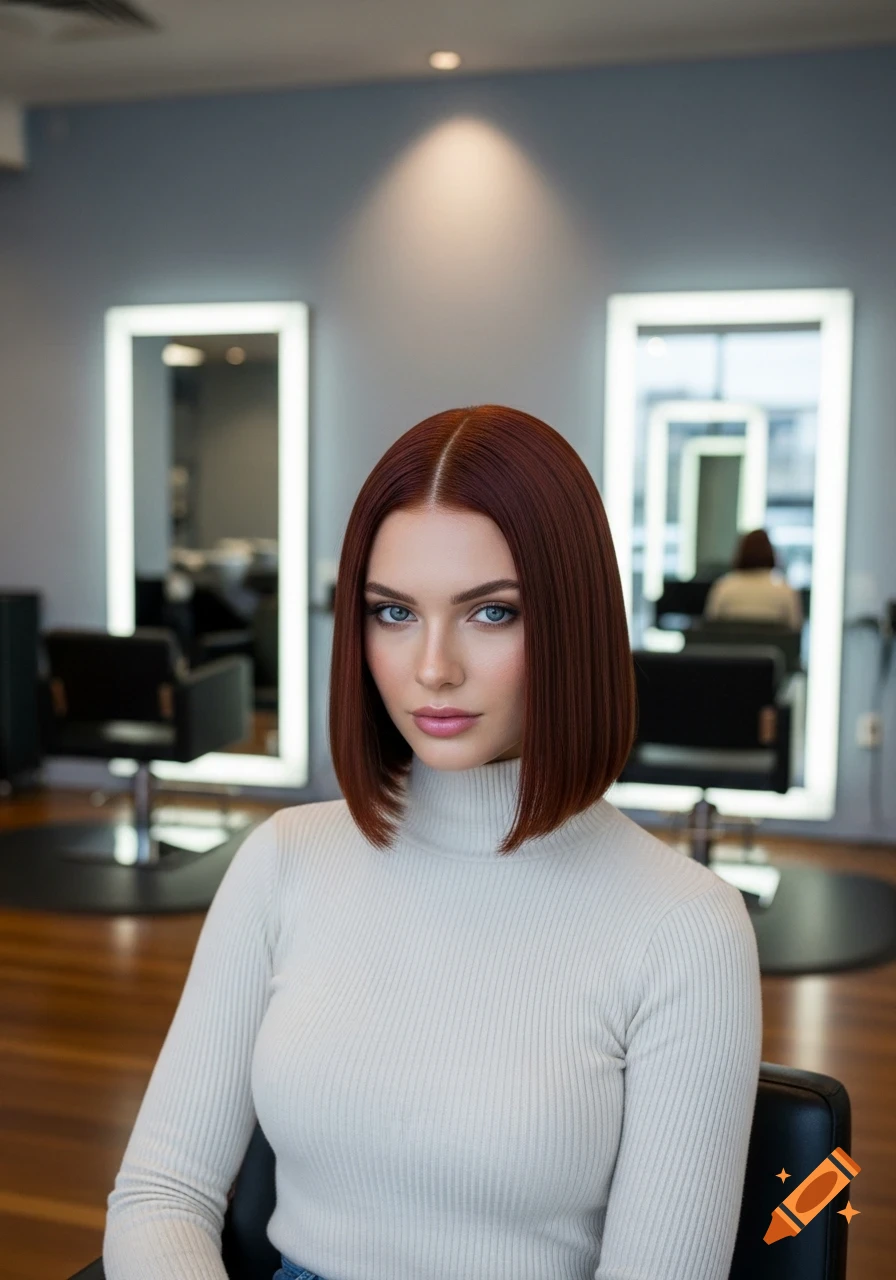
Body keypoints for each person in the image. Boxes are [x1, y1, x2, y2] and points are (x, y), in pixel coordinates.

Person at [102, 405, 762, 1280]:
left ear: (574, 622)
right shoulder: (284, 860)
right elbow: (161, 1196)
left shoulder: (687, 927)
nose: (432, 668)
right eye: (393, 613)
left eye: (491, 614)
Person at [703, 529, 804, 629]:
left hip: (732, 645)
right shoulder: (785, 589)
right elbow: (795, 628)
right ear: (771, 552)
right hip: (773, 645)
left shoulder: (724, 587)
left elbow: (710, 625)